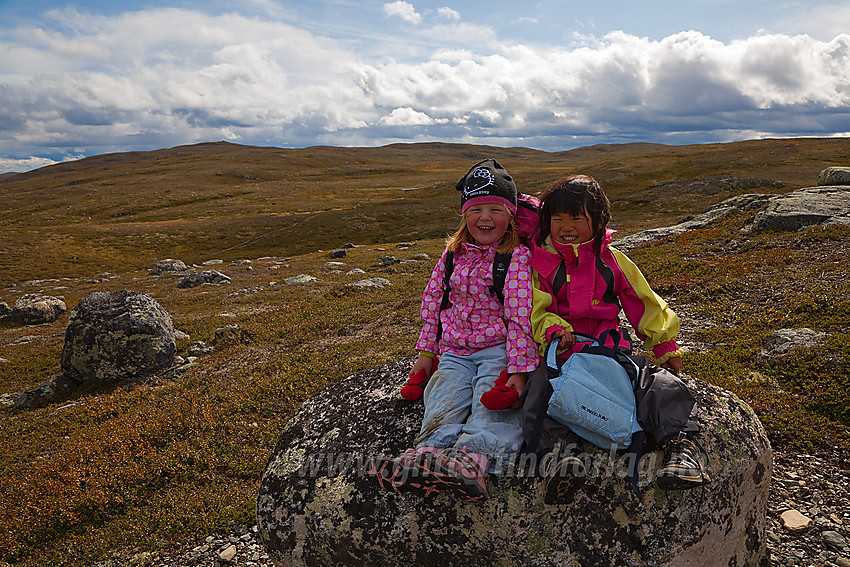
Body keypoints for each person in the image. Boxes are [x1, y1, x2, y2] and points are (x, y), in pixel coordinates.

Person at [521, 174, 710, 503]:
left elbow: (643, 301)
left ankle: (680, 449)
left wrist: (663, 344)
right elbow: (537, 309)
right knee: (540, 390)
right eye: (557, 218)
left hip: (611, 351)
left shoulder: (614, 261)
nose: (566, 226)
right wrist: (553, 329)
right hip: (565, 353)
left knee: (657, 384)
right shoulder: (542, 265)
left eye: (577, 218)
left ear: (599, 221)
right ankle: (559, 458)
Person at [367, 158, 538, 502]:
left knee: (491, 404)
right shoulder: (451, 255)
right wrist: (426, 354)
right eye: (476, 209)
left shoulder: (515, 257)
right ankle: (428, 455)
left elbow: (522, 316)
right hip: (454, 352)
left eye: (496, 209)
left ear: (512, 215)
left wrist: (519, 371)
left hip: (498, 350)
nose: (485, 218)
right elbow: (434, 305)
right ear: (464, 214)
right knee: (442, 398)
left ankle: (473, 461)